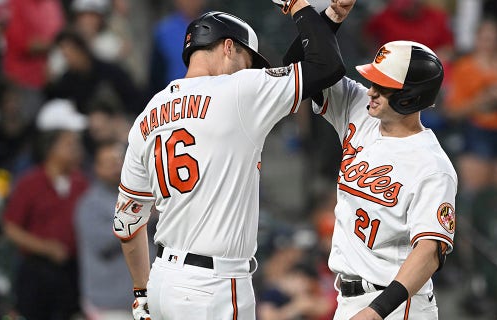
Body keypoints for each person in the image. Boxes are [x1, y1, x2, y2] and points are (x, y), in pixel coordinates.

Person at [112, 1, 345, 319]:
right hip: (215, 286)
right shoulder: (238, 91)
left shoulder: (149, 113)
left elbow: (126, 223)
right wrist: (298, 5)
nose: (250, 70)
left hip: (162, 280)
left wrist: (141, 293)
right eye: (248, 60)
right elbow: (325, 65)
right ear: (228, 47)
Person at [284, 3, 457, 319]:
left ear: (410, 96)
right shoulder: (360, 108)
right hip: (349, 297)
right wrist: (332, 16)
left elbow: (429, 252)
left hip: (396, 306)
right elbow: (298, 69)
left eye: (384, 87)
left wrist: (378, 311)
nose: (372, 91)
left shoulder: (431, 165)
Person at [2, 99, 89, 320]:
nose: (76, 150)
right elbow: (11, 227)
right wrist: (44, 247)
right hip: (36, 272)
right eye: (69, 144)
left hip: (72, 271)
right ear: (51, 146)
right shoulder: (30, 183)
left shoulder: (81, 184)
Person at [445, 18, 497, 195]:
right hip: (476, 131)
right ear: (476, 39)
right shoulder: (464, 67)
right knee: (476, 193)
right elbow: (452, 111)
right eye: (485, 39)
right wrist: (480, 101)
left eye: (494, 39)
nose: (489, 44)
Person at [74, 142, 134, 320]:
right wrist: (139, 215)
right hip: (109, 304)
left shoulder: (141, 197)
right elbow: (102, 244)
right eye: (108, 163)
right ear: (97, 168)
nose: (116, 167)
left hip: (144, 300)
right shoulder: (90, 203)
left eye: (119, 160)